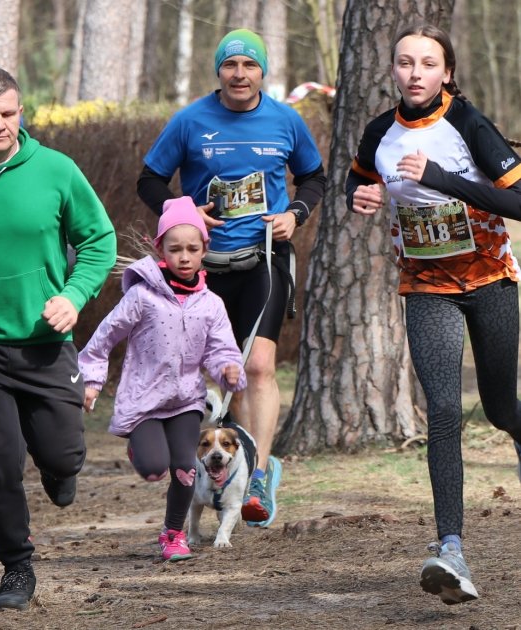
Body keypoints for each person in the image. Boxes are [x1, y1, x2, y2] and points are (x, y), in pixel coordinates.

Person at [347, 23, 521, 605]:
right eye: (404, 63)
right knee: (443, 409)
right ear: (393, 70)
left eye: (427, 63)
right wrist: (362, 196)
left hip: (490, 279)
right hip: (425, 285)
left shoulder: (468, 124)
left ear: (446, 72)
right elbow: (360, 179)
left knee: (500, 408)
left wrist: (444, 180)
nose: (415, 72)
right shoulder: (379, 132)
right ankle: (451, 549)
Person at [136, 28, 326, 528]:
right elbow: (148, 179)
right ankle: (238, 466)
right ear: (218, 71)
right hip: (204, 267)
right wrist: (182, 210)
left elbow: (314, 176)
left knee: (260, 366)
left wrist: (297, 214)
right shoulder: (191, 120)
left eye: (249, 66)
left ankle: (259, 476)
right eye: (230, 66)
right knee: (226, 376)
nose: (239, 75)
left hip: (265, 258)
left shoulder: (286, 120)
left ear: (263, 72)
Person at [0, 66, 116, 610]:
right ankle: (16, 569)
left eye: (8, 113)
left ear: (20, 113)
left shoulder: (55, 170)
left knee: (62, 455)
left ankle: (58, 466)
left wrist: (74, 295)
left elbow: (99, 241)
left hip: (44, 341)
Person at [78, 197, 245, 561]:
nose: (184, 257)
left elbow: (221, 351)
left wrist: (228, 370)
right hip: (145, 400)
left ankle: (173, 535)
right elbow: (104, 337)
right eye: (175, 249)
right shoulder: (141, 296)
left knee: (186, 467)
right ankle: (141, 447)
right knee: (155, 469)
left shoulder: (211, 304)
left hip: (186, 400)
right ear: (161, 250)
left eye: (192, 249)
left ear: (204, 250)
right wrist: (91, 380)